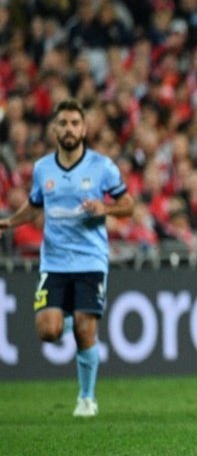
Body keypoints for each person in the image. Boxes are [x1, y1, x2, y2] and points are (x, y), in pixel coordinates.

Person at [0, 99, 135, 417]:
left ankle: (86, 398)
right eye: (63, 123)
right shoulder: (43, 168)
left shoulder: (102, 167)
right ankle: (73, 319)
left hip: (90, 259)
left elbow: (127, 204)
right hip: (55, 262)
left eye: (75, 123)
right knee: (48, 330)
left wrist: (107, 209)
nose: (70, 129)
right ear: (54, 129)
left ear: (84, 129)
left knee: (86, 327)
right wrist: (10, 222)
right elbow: (35, 205)